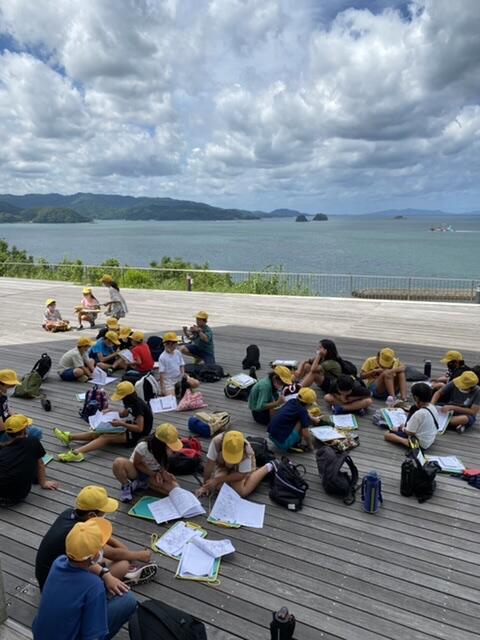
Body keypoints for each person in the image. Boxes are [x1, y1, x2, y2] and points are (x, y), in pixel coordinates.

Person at [35, 485, 157, 591]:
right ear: (92, 515)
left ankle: (122, 574)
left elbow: (113, 546)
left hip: (57, 572)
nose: (105, 515)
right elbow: (115, 554)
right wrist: (139, 555)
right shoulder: (80, 535)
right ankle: (118, 580)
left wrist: (123, 551)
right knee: (123, 564)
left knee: (110, 557)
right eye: (104, 512)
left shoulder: (69, 514)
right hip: (59, 586)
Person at [32, 518, 138, 640]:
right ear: (96, 555)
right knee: (128, 600)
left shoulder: (59, 562)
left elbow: (85, 562)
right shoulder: (94, 585)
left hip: (40, 635)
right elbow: (92, 636)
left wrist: (105, 574)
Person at [54, 381, 153, 462]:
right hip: (129, 425)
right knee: (98, 431)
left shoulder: (137, 406)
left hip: (138, 435)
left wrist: (121, 423)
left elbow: (140, 428)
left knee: (105, 437)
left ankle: (77, 453)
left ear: (127, 395)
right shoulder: (130, 401)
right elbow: (124, 414)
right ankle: (69, 437)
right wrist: (111, 410)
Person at [112, 423, 181, 502]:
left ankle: (141, 484)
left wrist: (164, 473)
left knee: (175, 489)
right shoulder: (143, 447)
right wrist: (153, 474)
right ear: (160, 445)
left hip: (152, 473)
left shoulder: (165, 451)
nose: (172, 450)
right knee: (118, 462)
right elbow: (137, 464)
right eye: (170, 447)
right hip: (136, 470)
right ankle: (126, 485)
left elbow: (162, 464)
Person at [0, 415, 57, 507]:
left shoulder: (3, 451)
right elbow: (40, 464)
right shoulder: (33, 441)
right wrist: (43, 483)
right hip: (19, 495)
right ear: (25, 429)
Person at [197, 430, 272, 498]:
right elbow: (209, 464)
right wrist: (205, 486)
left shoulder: (246, 451)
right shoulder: (216, 442)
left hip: (240, 471)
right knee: (218, 487)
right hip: (223, 465)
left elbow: (241, 475)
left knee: (240, 492)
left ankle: (267, 467)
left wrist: (217, 480)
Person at [384, 383, 439, 449]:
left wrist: (401, 428)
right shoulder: (433, 407)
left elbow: (410, 432)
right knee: (413, 408)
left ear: (416, 397)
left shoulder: (419, 414)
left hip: (420, 444)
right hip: (429, 439)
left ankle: (405, 441)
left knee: (387, 434)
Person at [267, 387, 319, 451]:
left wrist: (313, 418)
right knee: (304, 421)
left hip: (271, 435)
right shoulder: (302, 411)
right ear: (308, 403)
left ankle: (290, 438)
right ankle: (294, 443)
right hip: (282, 443)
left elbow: (304, 411)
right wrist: (310, 446)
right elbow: (306, 434)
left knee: (303, 418)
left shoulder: (291, 401)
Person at [0, 369, 43, 441]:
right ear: (1, 384)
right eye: (10, 385)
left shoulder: (2, 394)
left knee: (32, 429)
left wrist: (18, 418)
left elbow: (7, 410)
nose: (13, 387)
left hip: (9, 425)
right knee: (36, 433)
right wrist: (19, 426)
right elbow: (1, 427)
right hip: (3, 432)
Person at [158, 332, 199, 397]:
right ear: (165, 344)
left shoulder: (177, 353)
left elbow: (181, 365)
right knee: (172, 399)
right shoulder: (162, 357)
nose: (173, 346)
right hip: (168, 381)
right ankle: (175, 389)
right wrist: (162, 388)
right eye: (169, 344)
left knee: (196, 383)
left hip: (179, 376)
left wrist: (183, 374)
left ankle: (179, 387)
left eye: (175, 344)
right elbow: (161, 374)